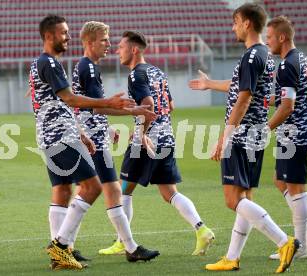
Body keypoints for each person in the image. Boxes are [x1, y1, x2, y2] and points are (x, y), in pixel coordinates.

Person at [189, 4, 299, 273]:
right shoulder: (263, 55)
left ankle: (284, 241)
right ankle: (232, 257)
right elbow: (241, 86)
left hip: (242, 134)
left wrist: (225, 137)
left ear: (247, 23)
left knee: (232, 199)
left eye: (235, 22)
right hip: (256, 134)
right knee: (245, 196)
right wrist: (210, 84)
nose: (233, 27)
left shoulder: (252, 56)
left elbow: (244, 97)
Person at [29, 15, 145, 270]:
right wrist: (108, 103)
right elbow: (71, 99)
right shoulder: (48, 62)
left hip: (56, 135)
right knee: (92, 187)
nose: (68, 37)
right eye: (63, 33)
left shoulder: (44, 63)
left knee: (62, 190)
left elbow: (61, 102)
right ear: (49, 36)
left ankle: (62, 251)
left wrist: (80, 133)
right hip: (59, 136)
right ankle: (60, 246)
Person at [99, 30, 215, 257]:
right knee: (169, 192)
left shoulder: (135, 75)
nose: (117, 51)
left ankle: (123, 241)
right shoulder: (157, 72)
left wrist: (140, 133)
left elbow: (149, 104)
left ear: (134, 50)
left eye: (121, 47)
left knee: (123, 190)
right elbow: (169, 106)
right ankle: (202, 230)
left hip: (146, 142)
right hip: (166, 138)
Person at [62, 21, 160, 263]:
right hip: (92, 139)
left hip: (93, 134)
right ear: (89, 42)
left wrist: (107, 126)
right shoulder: (89, 69)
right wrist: (135, 111)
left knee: (91, 190)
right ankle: (128, 248)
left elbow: (95, 108)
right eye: (104, 40)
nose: (109, 44)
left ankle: (67, 244)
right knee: (109, 190)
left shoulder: (87, 67)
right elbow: (99, 105)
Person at [265, 15, 307, 260]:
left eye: (269, 38)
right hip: (300, 130)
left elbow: (287, 106)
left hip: (294, 133)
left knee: (296, 187)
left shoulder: (288, 64)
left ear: (282, 37)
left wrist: (265, 129)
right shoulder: (304, 59)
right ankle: (306, 234)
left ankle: (299, 248)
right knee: (280, 179)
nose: (267, 43)